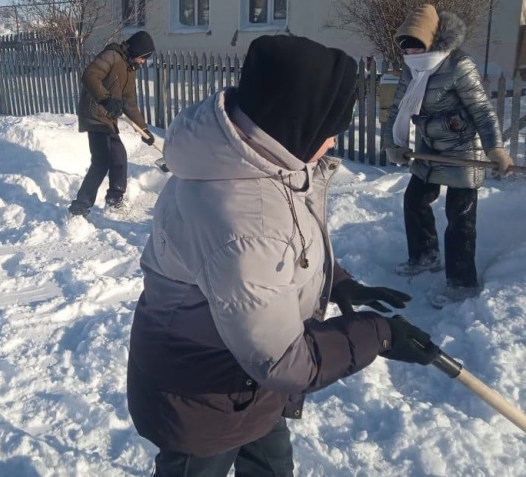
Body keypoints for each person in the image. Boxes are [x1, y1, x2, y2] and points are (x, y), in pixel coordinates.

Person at [127, 34, 437, 476]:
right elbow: (284, 361)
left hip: (249, 387)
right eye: (331, 129)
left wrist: (338, 281)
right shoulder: (243, 220)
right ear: (297, 119)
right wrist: (378, 335)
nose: (332, 143)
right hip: (203, 397)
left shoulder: (251, 157)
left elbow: (285, 252)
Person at [382, 4, 512, 308]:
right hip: (430, 147)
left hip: (463, 149)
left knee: (460, 217)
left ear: (431, 42)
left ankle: (462, 282)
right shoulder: (411, 68)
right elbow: (399, 108)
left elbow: (482, 110)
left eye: (416, 46)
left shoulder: (458, 65)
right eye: (406, 47)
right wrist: (393, 143)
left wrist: (496, 149)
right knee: (414, 200)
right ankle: (425, 255)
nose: (411, 53)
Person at [69, 30, 156, 217]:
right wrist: (105, 99)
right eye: (143, 57)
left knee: (119, 157)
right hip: (95, 112)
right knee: (102, 160)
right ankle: (80, 206)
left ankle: (114, 199)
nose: (143, 62)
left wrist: (144, 130)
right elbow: (89, 75)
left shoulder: (129, 69)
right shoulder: (112, 56)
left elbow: (129, 102)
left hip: (107, 117)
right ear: (136, 52)